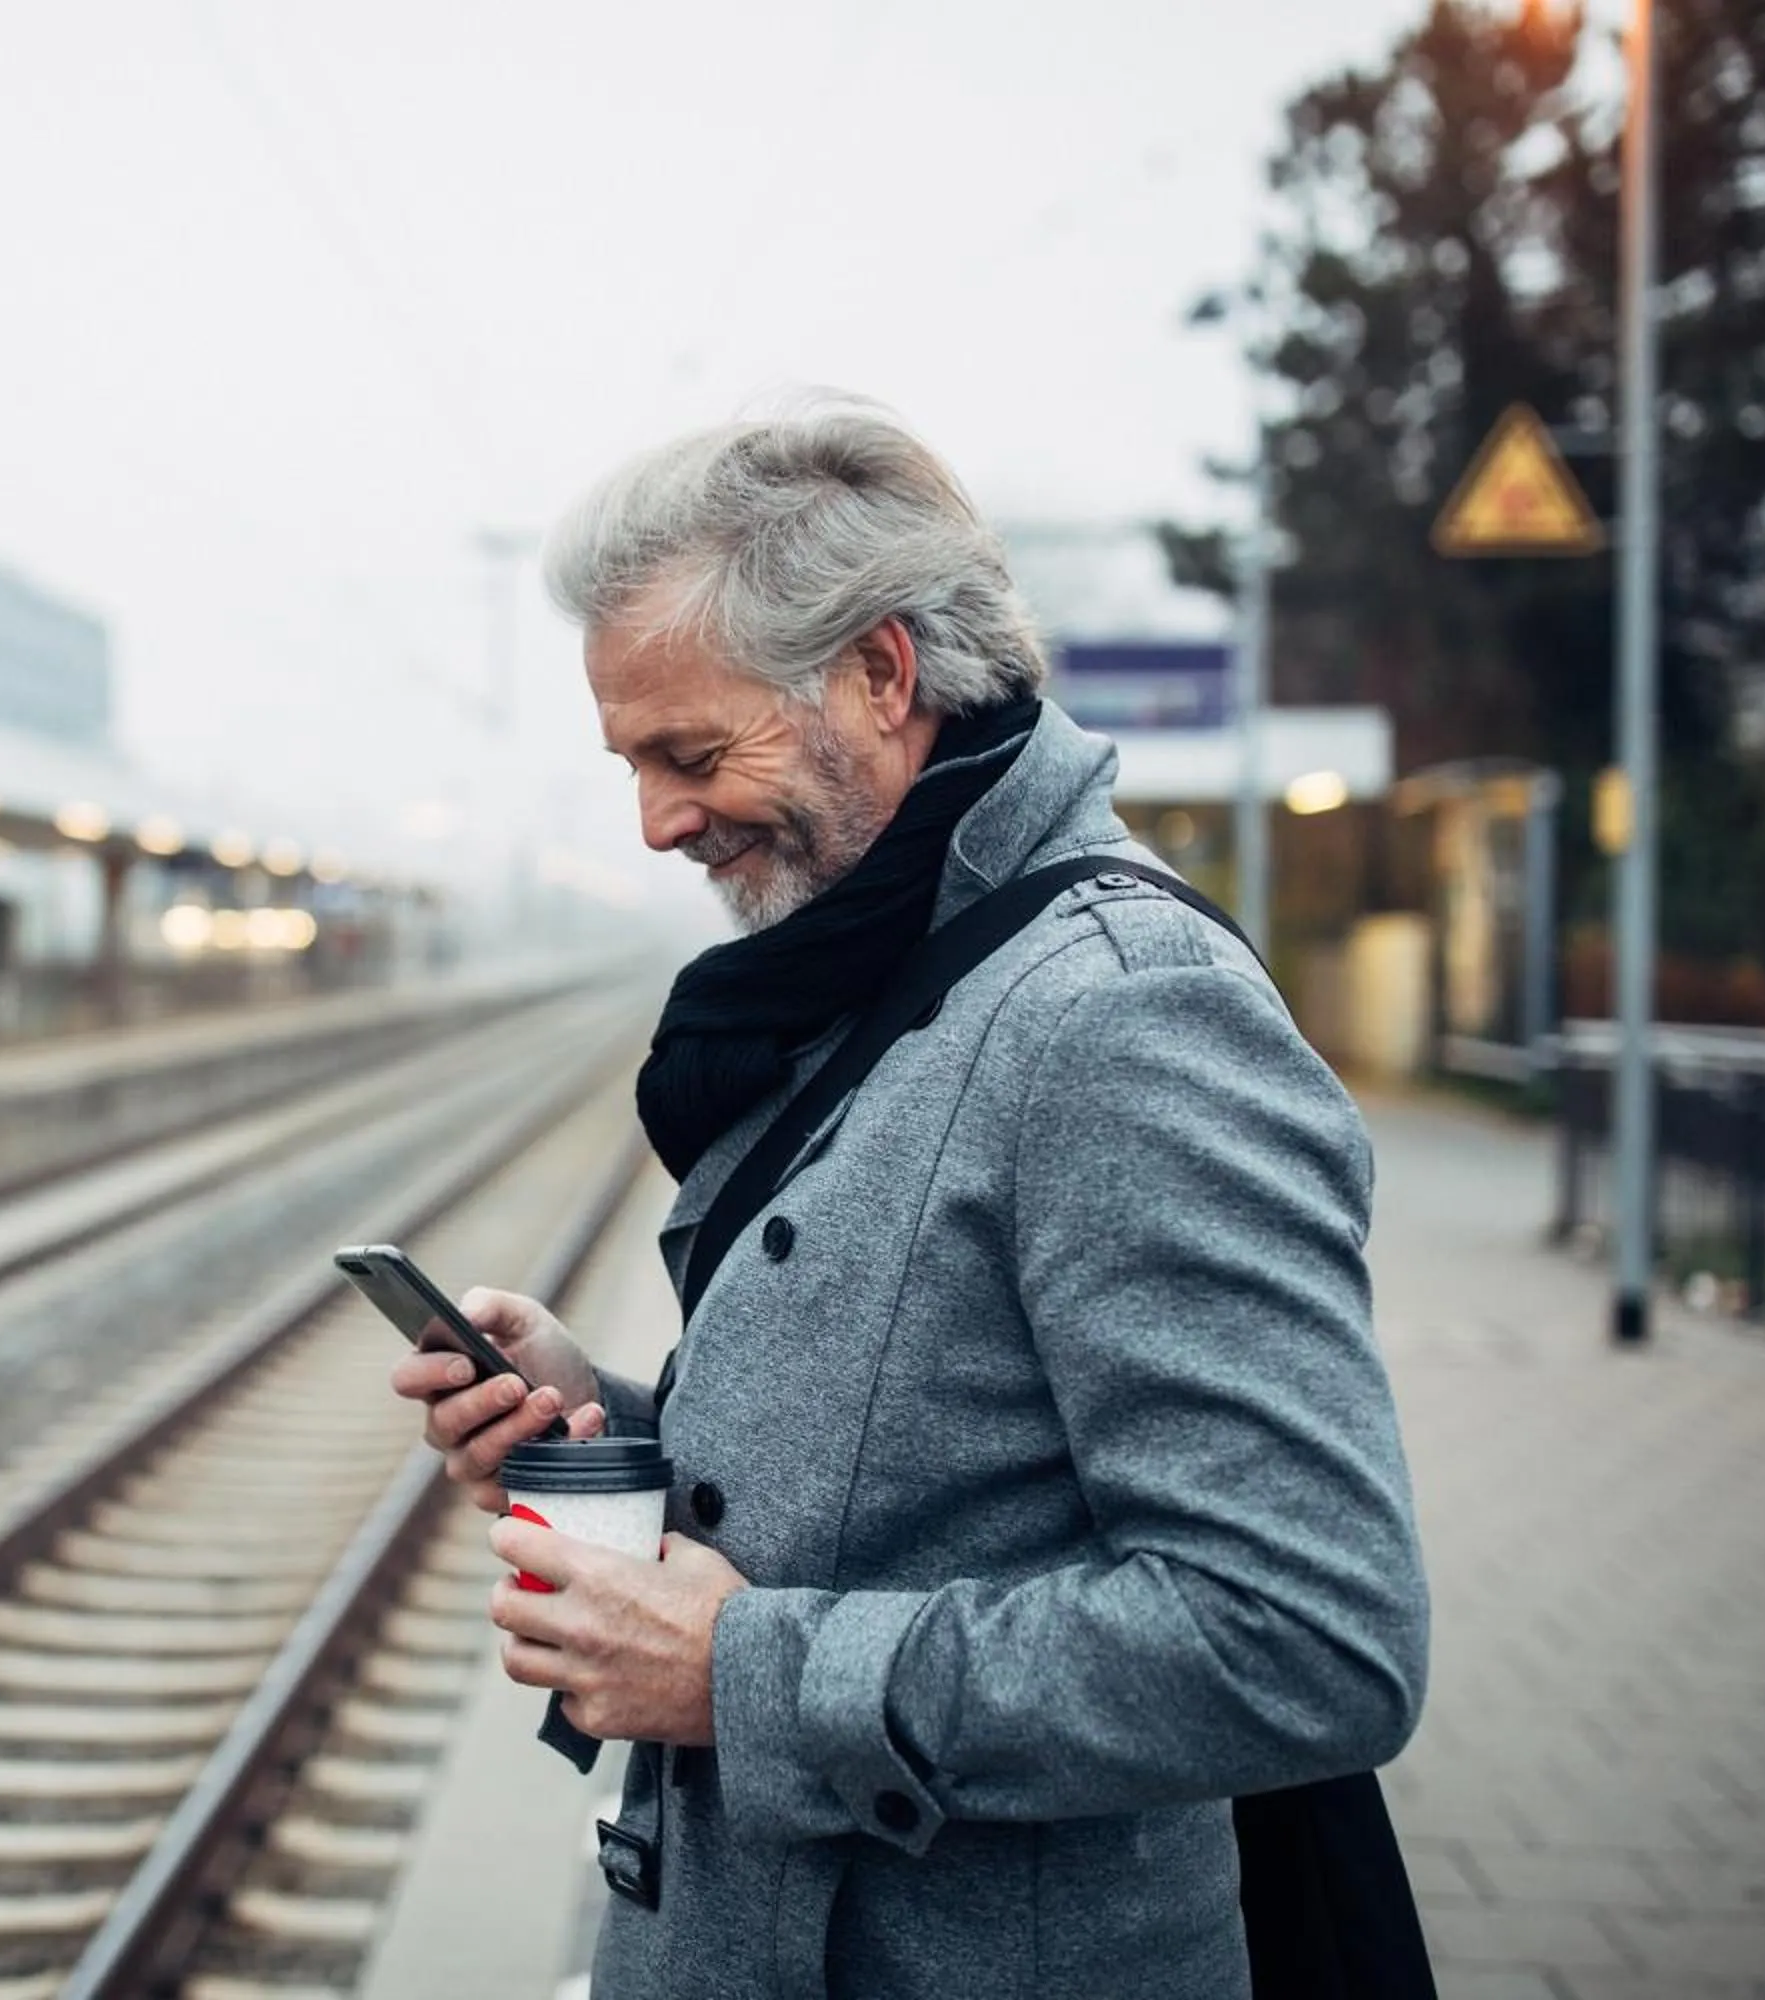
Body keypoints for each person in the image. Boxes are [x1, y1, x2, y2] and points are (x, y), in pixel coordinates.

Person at [390, 395, 1430, 1999]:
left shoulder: (1121, 1016)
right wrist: (606, 1422)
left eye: (692, 754)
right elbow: (933, 1459)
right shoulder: (881, 960)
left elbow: (1306, 1636)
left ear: (881, 676)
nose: (656, 822)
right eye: (633, 763)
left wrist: (745, 1678)